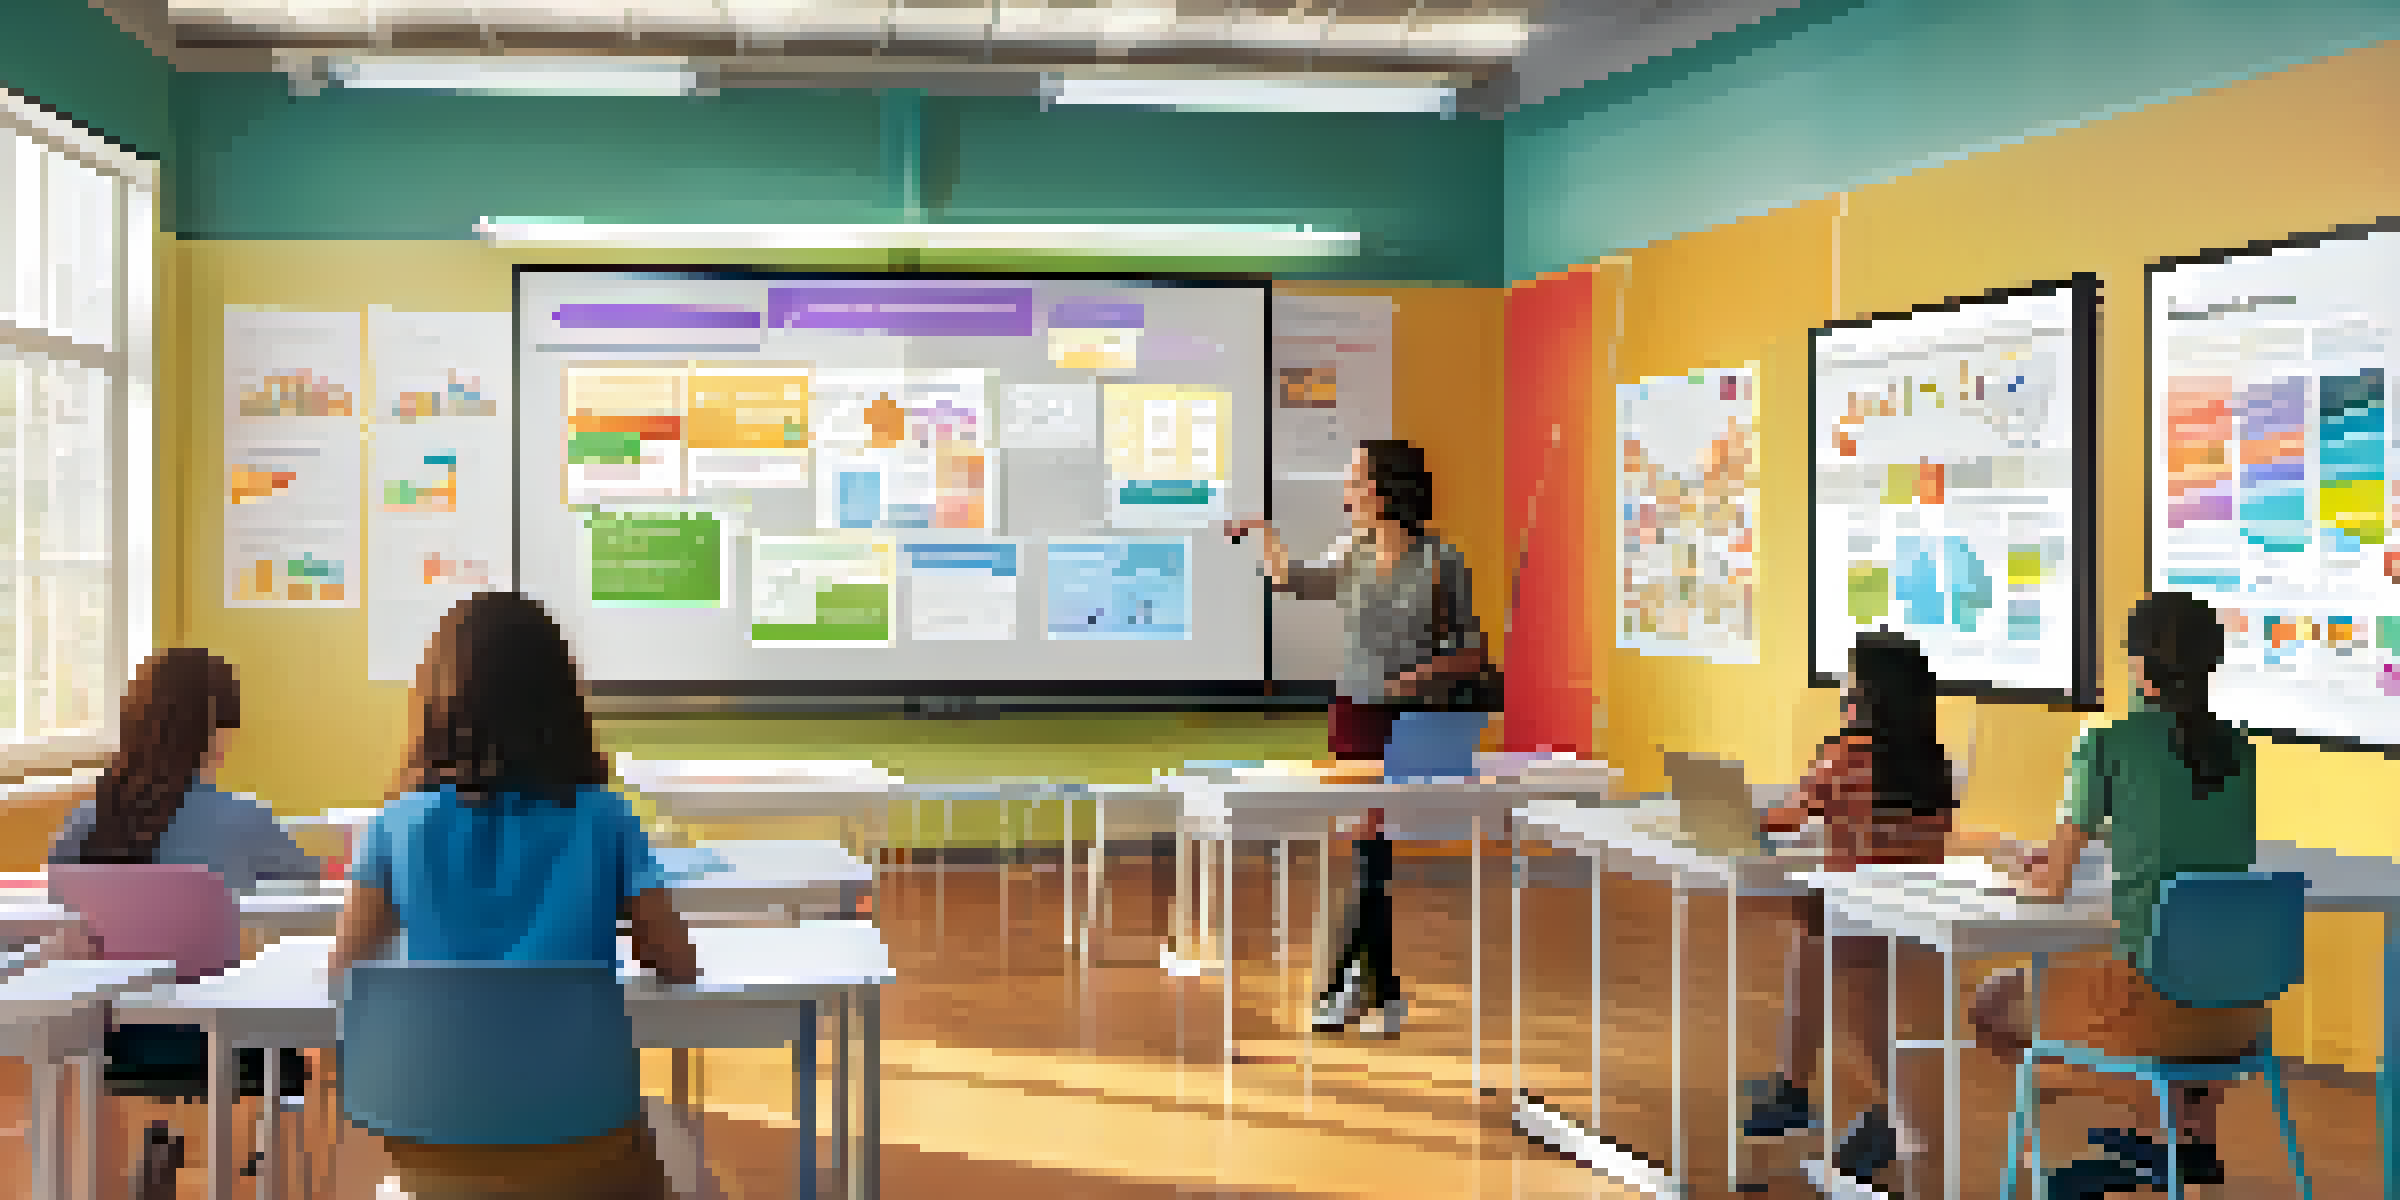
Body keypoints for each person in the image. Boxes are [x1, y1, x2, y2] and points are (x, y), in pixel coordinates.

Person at [328, 591, 699, 1200]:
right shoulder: (605, 819)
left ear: (438, 701)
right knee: (677, 1138)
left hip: (430, 1137)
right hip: (583, 1141)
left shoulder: (395, 823)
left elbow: (346, 966)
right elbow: (678, 964)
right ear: (560, 699)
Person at [1960, 592, 2265, 1198]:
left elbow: (2051, 887)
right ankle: (2182, 1144)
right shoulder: (2240, 750)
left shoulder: (2105, 745)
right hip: (2238, 1018)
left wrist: (2016, 868)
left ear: (2141, 668)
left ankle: (2151, 1141)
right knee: (2184, 989)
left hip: (2148, 1014)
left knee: (1993, 1001)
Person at [1222, 439, 1489, 1038]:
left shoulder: (1442, 559)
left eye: (1355, 479)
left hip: (1417, 720)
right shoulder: (1352, 551)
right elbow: (1290, 579)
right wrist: (1263, 532)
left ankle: (1348, 987)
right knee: (1370, 849)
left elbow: (1473, 651)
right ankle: (1378, 992)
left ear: (1386, 488)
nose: (1346, 491)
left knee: (1375, 849)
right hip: (1355, 715)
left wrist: (1421, 675)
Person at [44, 647, 322, 1199]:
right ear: (213, 731)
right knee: (290, 1017)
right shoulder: (245, 818)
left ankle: (161, 1141)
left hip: (112, 1040)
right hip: (223, 1040)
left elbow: (60, 900)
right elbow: (311, 884)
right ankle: (262, 1163)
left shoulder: (86, 821)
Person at [1741, 630, 1956, 1190]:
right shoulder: (1934, 766)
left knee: (1810, 927)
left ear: (1864, 696)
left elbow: (1781, 820)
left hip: (1858, 916)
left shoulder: (1842, 761)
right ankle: (1804, 1090)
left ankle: (1806, 1090)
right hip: (1916, 916)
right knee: (1812, 926)